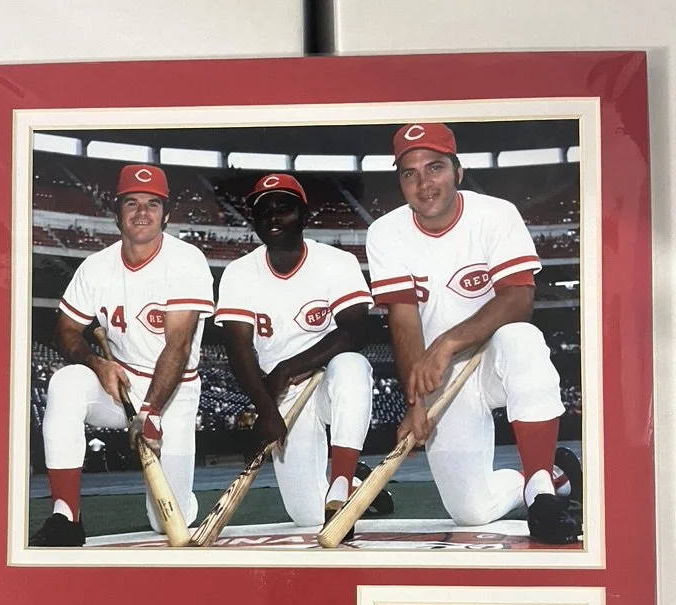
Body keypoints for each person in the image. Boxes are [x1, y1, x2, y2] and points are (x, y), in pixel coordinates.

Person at [366, 123, 582, 544]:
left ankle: (541, 490)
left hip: (494, 358)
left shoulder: (496, 214)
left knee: (522, 339)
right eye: (410, 173)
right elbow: (404, 322)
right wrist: (415, 403)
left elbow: (519, 299)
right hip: (442, 378)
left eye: (435, 167)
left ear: (458, 172)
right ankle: (557, 475)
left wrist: (447, 342)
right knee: (470, 510)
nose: (424, 183)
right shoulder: (385, 233)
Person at [30, 164, 214, 546]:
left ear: (166, 214)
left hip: (174, 391)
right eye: (131, 203)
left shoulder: (186, 260)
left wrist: (151, 412)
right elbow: (65, 330)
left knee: (167, 520)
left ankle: (187, 501)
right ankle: (66, 517)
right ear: (117, 213)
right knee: (66, 382)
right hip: (120, 382)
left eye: (152, 203)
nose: (142, 212)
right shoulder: (96, 267)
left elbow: (178, 346)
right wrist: (97, 364)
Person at [215, 173, 377, 530]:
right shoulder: (239, 273)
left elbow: (355, 331)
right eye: (264, 211)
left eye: (284, 208)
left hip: (327, 378)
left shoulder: (337, 261)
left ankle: (342, 478)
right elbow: (239, 352)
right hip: (282, 395)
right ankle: (361, 486)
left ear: (304, 215)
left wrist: (286, 370)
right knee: (307, 515)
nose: (273, 217)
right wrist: (265, 409)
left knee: (352, 366)